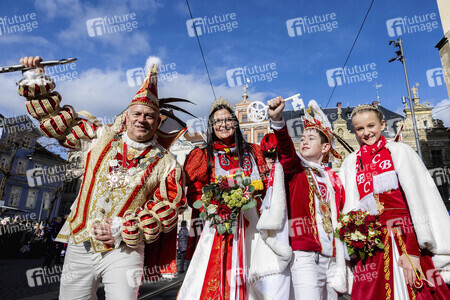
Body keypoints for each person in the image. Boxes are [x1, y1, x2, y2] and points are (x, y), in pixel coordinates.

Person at [18, 56, 186, 300]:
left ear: (158, 121)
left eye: (149, 116)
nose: (142, 119)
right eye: (136, 113)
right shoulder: (101, 137)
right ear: (126, 117)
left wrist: (125, 228)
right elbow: (59, 124)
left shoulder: (167, 162)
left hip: (124, 250)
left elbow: (169, 207)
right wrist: (36, 79)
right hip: (79, 241)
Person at [335, 104, 450, 299]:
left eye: (371, 126)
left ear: (382, 124)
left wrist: (413, 251)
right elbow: (349, 209)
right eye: (360, 129)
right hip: (371, 249)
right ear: (354, 131)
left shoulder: (400, 152)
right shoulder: (351, 163)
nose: (366, 132)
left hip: (404, 239)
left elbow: (417, 201)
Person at [178, 97, 268, 299]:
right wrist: (212, 207)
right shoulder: (203, 155)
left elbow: (267, 183)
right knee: (216, 269)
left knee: (254, 268)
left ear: (235, 124)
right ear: (211, 126)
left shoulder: (253, 152)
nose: (223, 125)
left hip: (252, 222)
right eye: (217, 121)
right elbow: (193, 190)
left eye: (227, 120)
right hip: (218, 223)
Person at [267, 96, 345, 300]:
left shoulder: (334, 179)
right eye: (302, 139)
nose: (304, 142)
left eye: (311, 139)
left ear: (325, 147)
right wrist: (278, 122)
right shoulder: (296, 171)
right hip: (304, 255)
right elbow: (285, 151)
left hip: (333, 258)